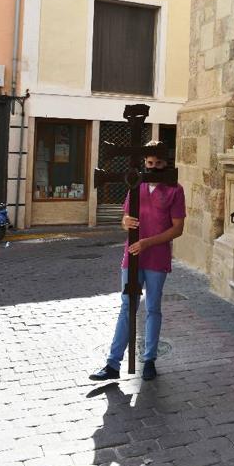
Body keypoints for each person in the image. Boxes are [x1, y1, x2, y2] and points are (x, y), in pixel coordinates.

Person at [90, 141, 185, 382]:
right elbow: (125, 217)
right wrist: (126, 223)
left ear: (166, 164)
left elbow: (177, 229)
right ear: (144, 163)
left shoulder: (175, 189)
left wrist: (148, 242)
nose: (153, 167)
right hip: (131, 255)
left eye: (158, 163)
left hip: (156, 257)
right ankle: (113, 364)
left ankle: (149, 359)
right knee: (127, 306)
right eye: (150, 163)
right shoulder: (136, 185)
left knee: (153, 308)